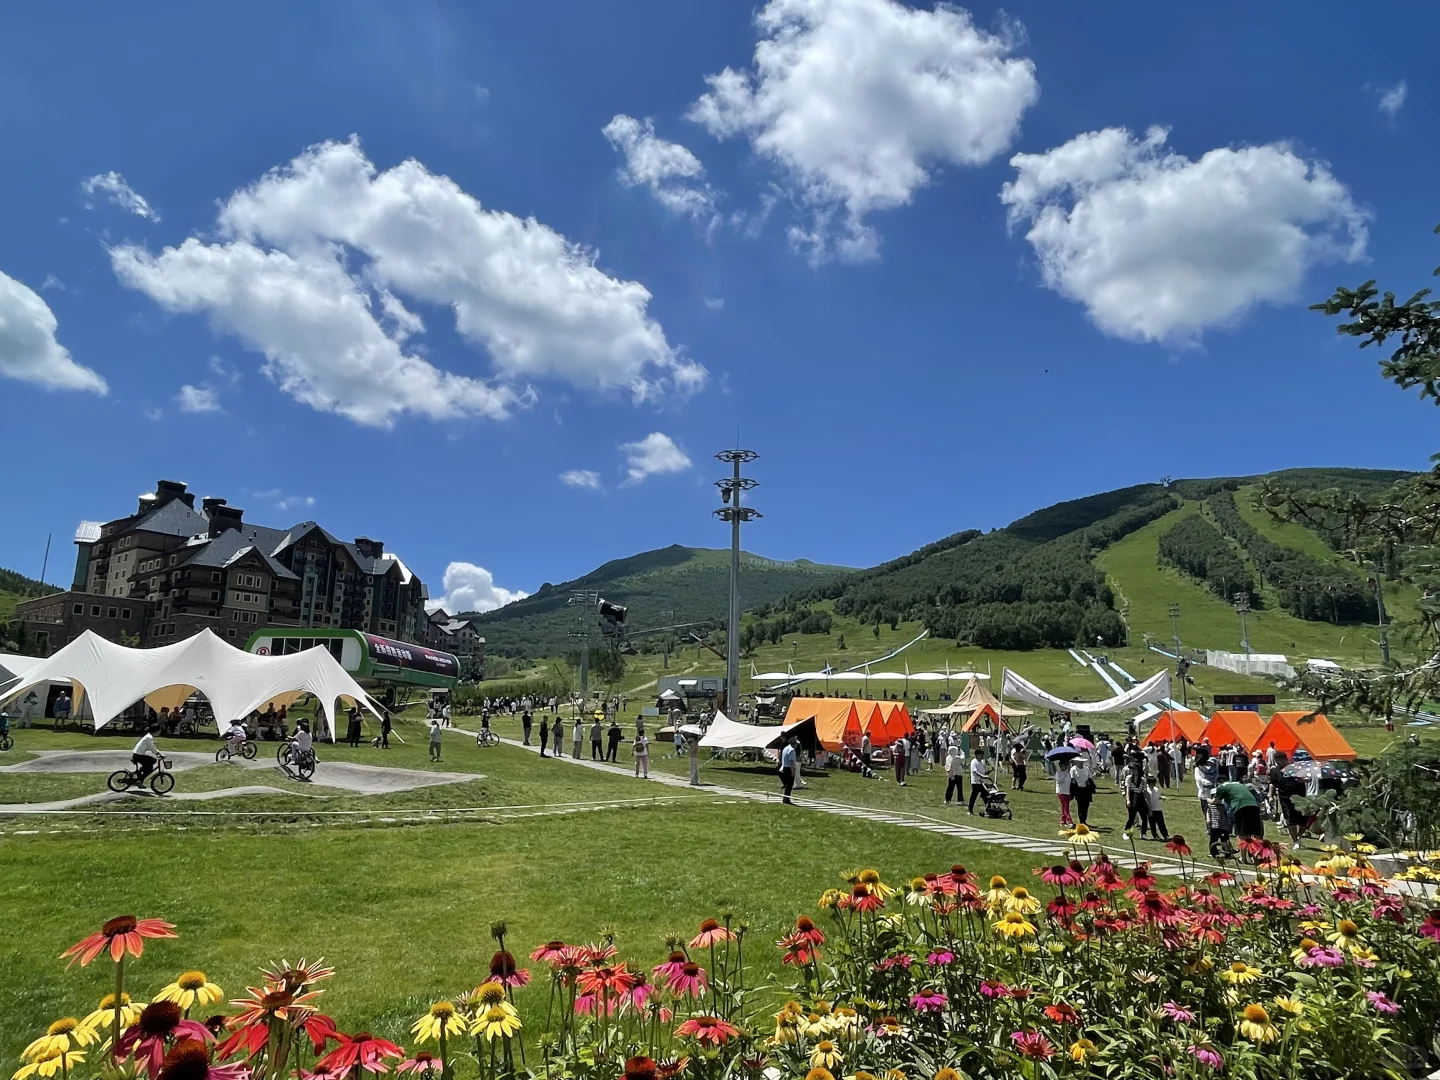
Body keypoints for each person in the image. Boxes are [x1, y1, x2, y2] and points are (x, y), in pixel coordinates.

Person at [1122, 762, 1149, 841]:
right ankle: (1126, 832)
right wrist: (1128, 800)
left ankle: (1143, 833)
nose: (1133, 771)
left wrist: (1147, 801)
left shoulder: (1143, 780)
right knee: (1131, 817)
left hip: (1140, 797)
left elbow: (1144, 791)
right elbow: (1127, 789)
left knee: (1144, 817)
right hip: (1132, 796)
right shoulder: (1129, 778)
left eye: (1135, 770)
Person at [1072, 752, 1094, 825]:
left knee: (1086, 805)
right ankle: (1081, 820)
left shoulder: (1086, 768)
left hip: (1086, 789)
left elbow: (1089, 777)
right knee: (1080, 805)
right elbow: (1072, 780)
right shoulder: (1073, 769)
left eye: (1082, 762)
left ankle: (1084, 819)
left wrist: (1089, 782)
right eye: (1079, 762)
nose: (1081, 763)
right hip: (1079, 790)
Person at [967, 749, 989, 815]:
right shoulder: (974, 762)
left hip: (982, 782)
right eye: (981, 755)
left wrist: (988, 772)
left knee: (986, 796)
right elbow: (975, 771)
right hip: (976, 782)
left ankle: (988, 810)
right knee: (973, 797)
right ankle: (970, 810)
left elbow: (983, 772)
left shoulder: (981, 762)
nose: (982, 756)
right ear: (977, 755)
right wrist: (982, 776)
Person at [944, 740, 965, 805]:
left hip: (951, 775)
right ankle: (960, 800)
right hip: (957, 774)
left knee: (950, 788)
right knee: (959, 788)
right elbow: (963, 758)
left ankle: (947, 799)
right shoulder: (956, 757)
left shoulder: (948, 757)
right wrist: (960, 750)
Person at [1055, 757, 1074, 827]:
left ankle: (1062, 821)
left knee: (1064, 807)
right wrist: (1065, 774)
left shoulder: (1068, 773)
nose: (1066, 766)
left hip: (1067, 791)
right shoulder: (1058, 773)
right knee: (1066, 807)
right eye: (1064, 765)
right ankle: (1070, 821)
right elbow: (1060, 781)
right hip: (1061, 792)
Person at [779, 737, 798, 804]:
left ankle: (785, 798)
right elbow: (791, 761)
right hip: (789, 768)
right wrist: (793, 771)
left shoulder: (786, 748)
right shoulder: (791, 750)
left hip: (784, 767)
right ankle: (786, 799)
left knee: (787, 785)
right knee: (789, 785)